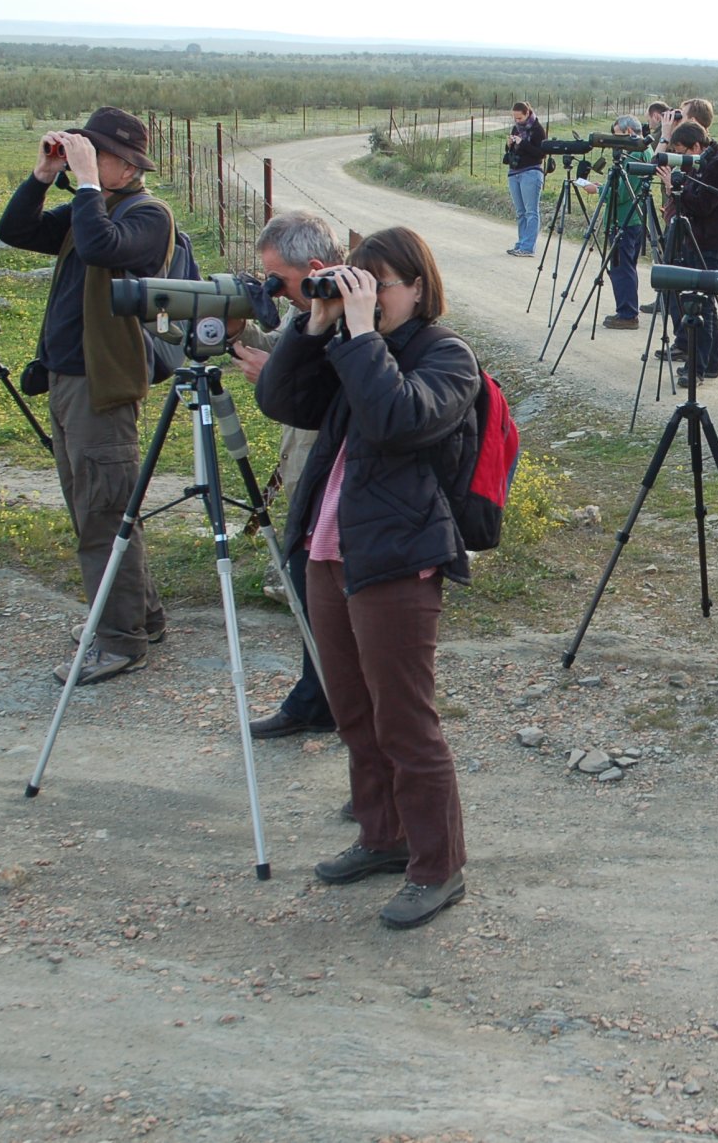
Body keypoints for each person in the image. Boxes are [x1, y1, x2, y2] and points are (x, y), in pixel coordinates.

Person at [255, 226, 478, 931]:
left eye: (379, 284)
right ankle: (384, 836)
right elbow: (281, 398)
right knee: (352, 707)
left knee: (405, 720)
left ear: (418, 286)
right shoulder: (352, 343)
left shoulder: (448, 356)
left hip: (397, 556)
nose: (369, 297)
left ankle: (438, 866)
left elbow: (394, 419)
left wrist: (358, 337)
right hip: (330, 548)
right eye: (359, 282)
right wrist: (313, 324)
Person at [0, 106, 172, 686]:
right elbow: (16, 231)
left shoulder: (147, 216)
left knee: (102, 514)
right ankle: (139, 617)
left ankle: (120, 642)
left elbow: (101, 248)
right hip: (69, 379)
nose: (82, 164)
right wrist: (45, 175)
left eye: (92, 155)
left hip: (104, 384)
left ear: (125, 166)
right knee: (94, 504)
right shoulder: (92, 209)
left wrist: (88, 188)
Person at [228, 210, 343, 740]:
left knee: (329, 605)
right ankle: (314, 700)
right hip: (305, 481)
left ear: (315, 267)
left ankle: (346, 723)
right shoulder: (312, 309)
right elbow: (290, 350)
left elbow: (329, 392)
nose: (275, 288)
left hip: (333, 490)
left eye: (281, 278)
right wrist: (236, 327)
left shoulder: (352, 317)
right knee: (306, 591)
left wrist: (272, 377)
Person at [658, 120, 718, 386]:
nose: (683, 160)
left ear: (696, 145)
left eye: (684, 152)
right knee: (704, 304)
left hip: (713, 243)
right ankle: (709, 363)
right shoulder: (701, 163)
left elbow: (702, 205)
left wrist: (673, 189)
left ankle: (698, 369)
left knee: (702, 304)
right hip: (696, 241)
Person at [590, 116, 654, 332]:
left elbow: (623, 193)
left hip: (624, 218)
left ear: (628, 132)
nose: (613, 142)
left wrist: (599, 190)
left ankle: (627, 313)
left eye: (616, 136)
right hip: (635, 217)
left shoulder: (635, 153)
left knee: (621, 267)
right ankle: (628, 310)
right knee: (627, 266)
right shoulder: (647, 150)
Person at [503, 101, 548, 258]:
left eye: (520, 118)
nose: (517, 121)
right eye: (515, 118)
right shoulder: (516, 128)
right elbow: (513, 151)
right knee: (520, 212)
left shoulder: (538, 130)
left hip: (531, 172)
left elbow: (541, 154)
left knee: (531, 211)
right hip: (514, 172)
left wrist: (523, 144)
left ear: (527, 113)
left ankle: (528, 247)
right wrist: (509, 145)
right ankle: (521, 244)